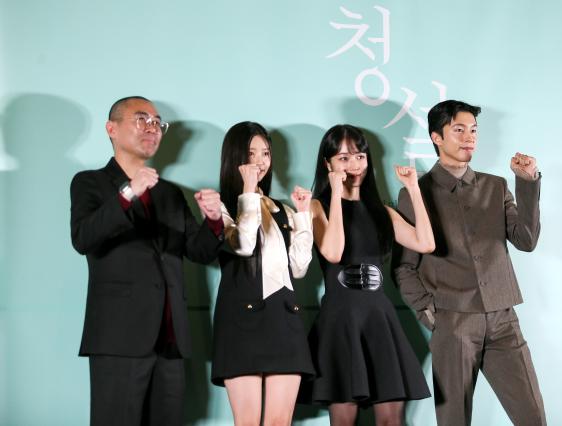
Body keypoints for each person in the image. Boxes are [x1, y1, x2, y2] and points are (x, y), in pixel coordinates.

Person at [70, 96, 224, 426]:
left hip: (170, 340)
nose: (152, 128)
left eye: (158, 123)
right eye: (142, 120)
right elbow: (84, 238)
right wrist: (128, 193)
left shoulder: (171, 193)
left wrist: (213, 221)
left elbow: (199, 252)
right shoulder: (89, 183)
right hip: (119, 337)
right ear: (111, 129)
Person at [394, 100, 546, 426]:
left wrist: (528, 181)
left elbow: (526, 240)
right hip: (453, 321)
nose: (469, 138)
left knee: (532, 417)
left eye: (473, 130)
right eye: (459, 130)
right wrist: (430, 313)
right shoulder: (415, 193)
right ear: (436, 137)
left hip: (504, 317)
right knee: (454, 420)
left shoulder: (496, 186)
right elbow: (404, 267)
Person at [303, 124, 435, 425]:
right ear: (328, 164)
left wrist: (414, 189)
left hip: (379, 318)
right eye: (343, 158)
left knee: (391, 419)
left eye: (360, 157)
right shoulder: (315, 207)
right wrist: (336, 194)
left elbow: (425, 243)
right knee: (343, 419)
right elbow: (333, 252)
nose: (353, 166)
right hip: (339, 320)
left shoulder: (382, 211)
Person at [210, 121, 315, 425]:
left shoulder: (281, 209)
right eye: (251, 153)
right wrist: (247, 190)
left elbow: (299, 266)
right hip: (242, 320)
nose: (259, 161)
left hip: (284, 317)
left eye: (265, 153)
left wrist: (304, 215)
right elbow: (243, 244)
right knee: (248, 421)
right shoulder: (221, 206)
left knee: (280, 422)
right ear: (234, 158)